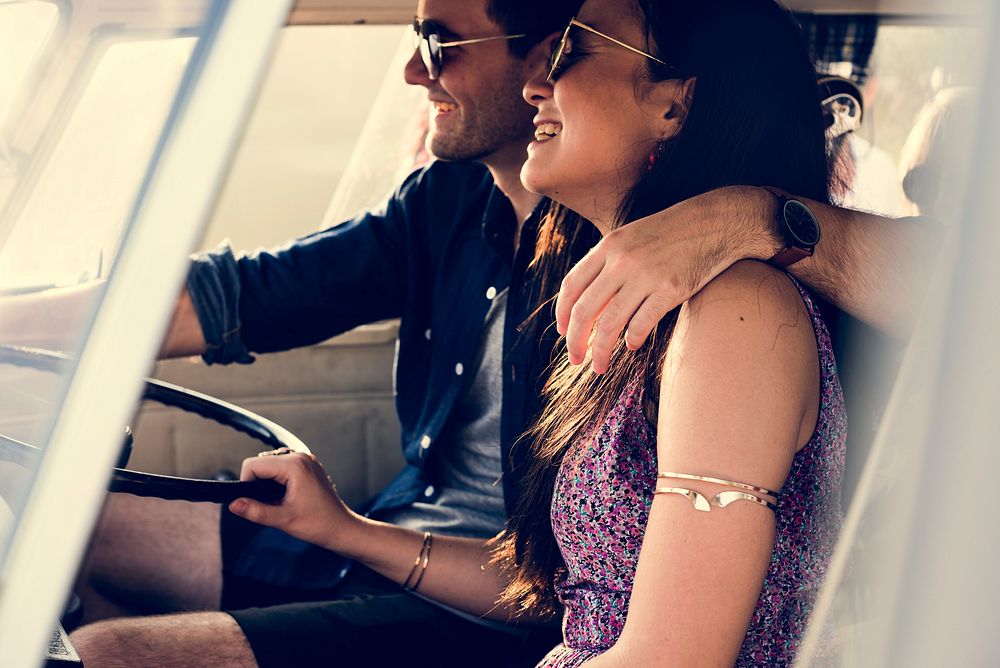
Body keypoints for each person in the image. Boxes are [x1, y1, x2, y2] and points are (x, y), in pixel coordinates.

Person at [55, 1, 927, 667]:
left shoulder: (738, 310)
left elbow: (669, 657)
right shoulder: (644, 306)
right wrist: (348, 527)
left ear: (676, 105)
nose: (538, 81)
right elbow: (568, 590)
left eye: (572, 52)